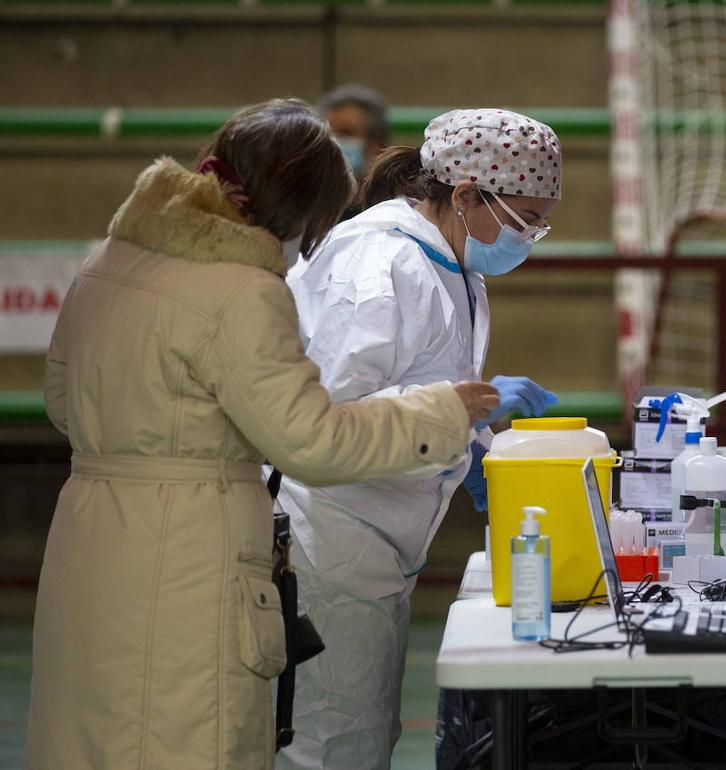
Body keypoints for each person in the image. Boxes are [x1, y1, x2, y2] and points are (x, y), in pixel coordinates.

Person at [26, 99, 500, 770]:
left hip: (89, 538)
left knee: (94, 738)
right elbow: (311, 441)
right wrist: (445, 415)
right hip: (192, 553)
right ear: (294, 210)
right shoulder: (240, 289)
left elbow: (61, 398)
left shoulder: (110, 259)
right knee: (189, 740)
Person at [272, 108, 562, 770]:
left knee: (363, 731)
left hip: (377, 538)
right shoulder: (379, 265)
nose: (532, 236)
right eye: (525, 219)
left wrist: (475, 449)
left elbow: (416, 390)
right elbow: (327, 419)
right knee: (332, 744)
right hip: (332, 536)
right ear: (465, 196)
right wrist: (459, 420)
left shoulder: (450, 263)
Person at [318, 84, 391, 182]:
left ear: (378, 147)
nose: (333, 142)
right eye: (327, 133)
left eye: (345, 134)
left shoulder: (404, 195)